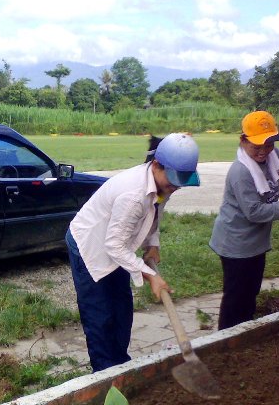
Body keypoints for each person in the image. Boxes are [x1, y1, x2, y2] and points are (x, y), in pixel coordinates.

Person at [66, 133, 201, 372]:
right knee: (101, 315)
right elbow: (113, 246)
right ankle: (106, 376)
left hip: (117, 244)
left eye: (179, 183)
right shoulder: (133, 195)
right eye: (172, 182)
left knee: (121, 309)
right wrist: (151, 276)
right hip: (89, 245)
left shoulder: (162, 183)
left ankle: (119, 364)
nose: (174, 188)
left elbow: (154, 213)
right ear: (157, 165)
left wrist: (153, 243)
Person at [209, 110, 279, 330]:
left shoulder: (272, 156)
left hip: (256, 243)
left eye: (268, 145)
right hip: (235, 243)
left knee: (249, 295)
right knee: (235, 300)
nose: (263, 152)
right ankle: (225, 342)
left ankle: (244, 335)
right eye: (256, 146)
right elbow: (255, 212)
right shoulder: (240, 172)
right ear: (243, 140)